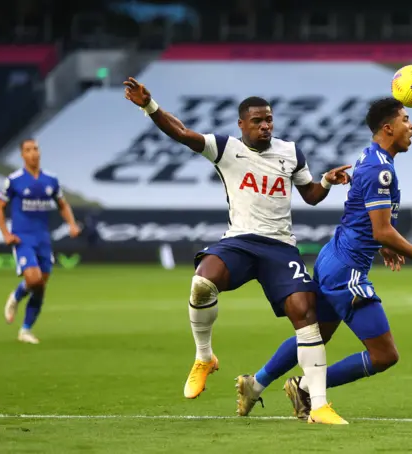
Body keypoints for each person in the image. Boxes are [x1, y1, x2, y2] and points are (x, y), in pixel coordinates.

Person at [123, 77, 351, 424]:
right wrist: (149, 105)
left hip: (280, 248)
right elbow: (183, 133)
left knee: (307, 317)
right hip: (240, 241)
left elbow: (311, 197)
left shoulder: (291, 153)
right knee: (202, 283)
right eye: (257, 121)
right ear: (242, 124)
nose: (265, 125)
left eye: (269, 119)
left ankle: (318, 405)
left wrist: (327, 182)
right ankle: (204, 357)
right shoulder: (226, 147)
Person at [235, 97, 412, 421]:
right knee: (384, 355)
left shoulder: (369, 159)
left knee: (314, 334)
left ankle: (254, 384)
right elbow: (382, 230)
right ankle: (306, 390)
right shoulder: (379, 169)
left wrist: (379, 240)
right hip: (347, 271)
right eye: (406, 120)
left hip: (334, 258)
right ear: (388, 128)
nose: (411, 126)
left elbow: (365, 216)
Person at [0, 139, 81, 344]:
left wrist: (72, 224)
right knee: (33, 280)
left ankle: (25, 330)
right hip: (23, 237)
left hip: (43, 238)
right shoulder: (14, 180)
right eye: (28, 150)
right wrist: (6, 234)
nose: (33, 153)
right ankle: (16, 296)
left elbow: (62, 204)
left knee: (40, 285)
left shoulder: (51, 180)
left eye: (35, 149)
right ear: (22, 155)